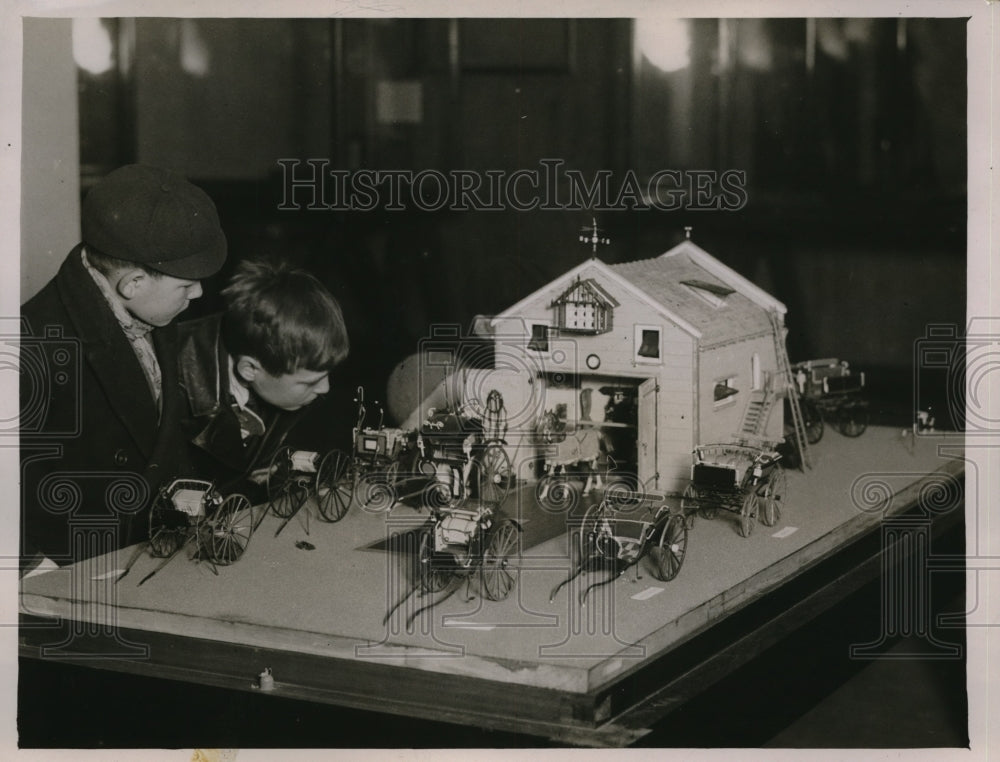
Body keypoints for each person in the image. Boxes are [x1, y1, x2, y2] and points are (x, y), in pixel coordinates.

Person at [20, 164, 227, 569]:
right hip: (77, 574)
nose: (199, 293)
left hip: (154, 555)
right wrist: (31, 567)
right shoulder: (32, 348)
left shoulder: (152, 306)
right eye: (186, 285)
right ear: (132, 283)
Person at [176, 259, 349, 496]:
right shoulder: (169, 384)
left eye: (326, 375)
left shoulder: (286, 372)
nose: (326, 388)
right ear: (249, 369)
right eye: (309, 382)